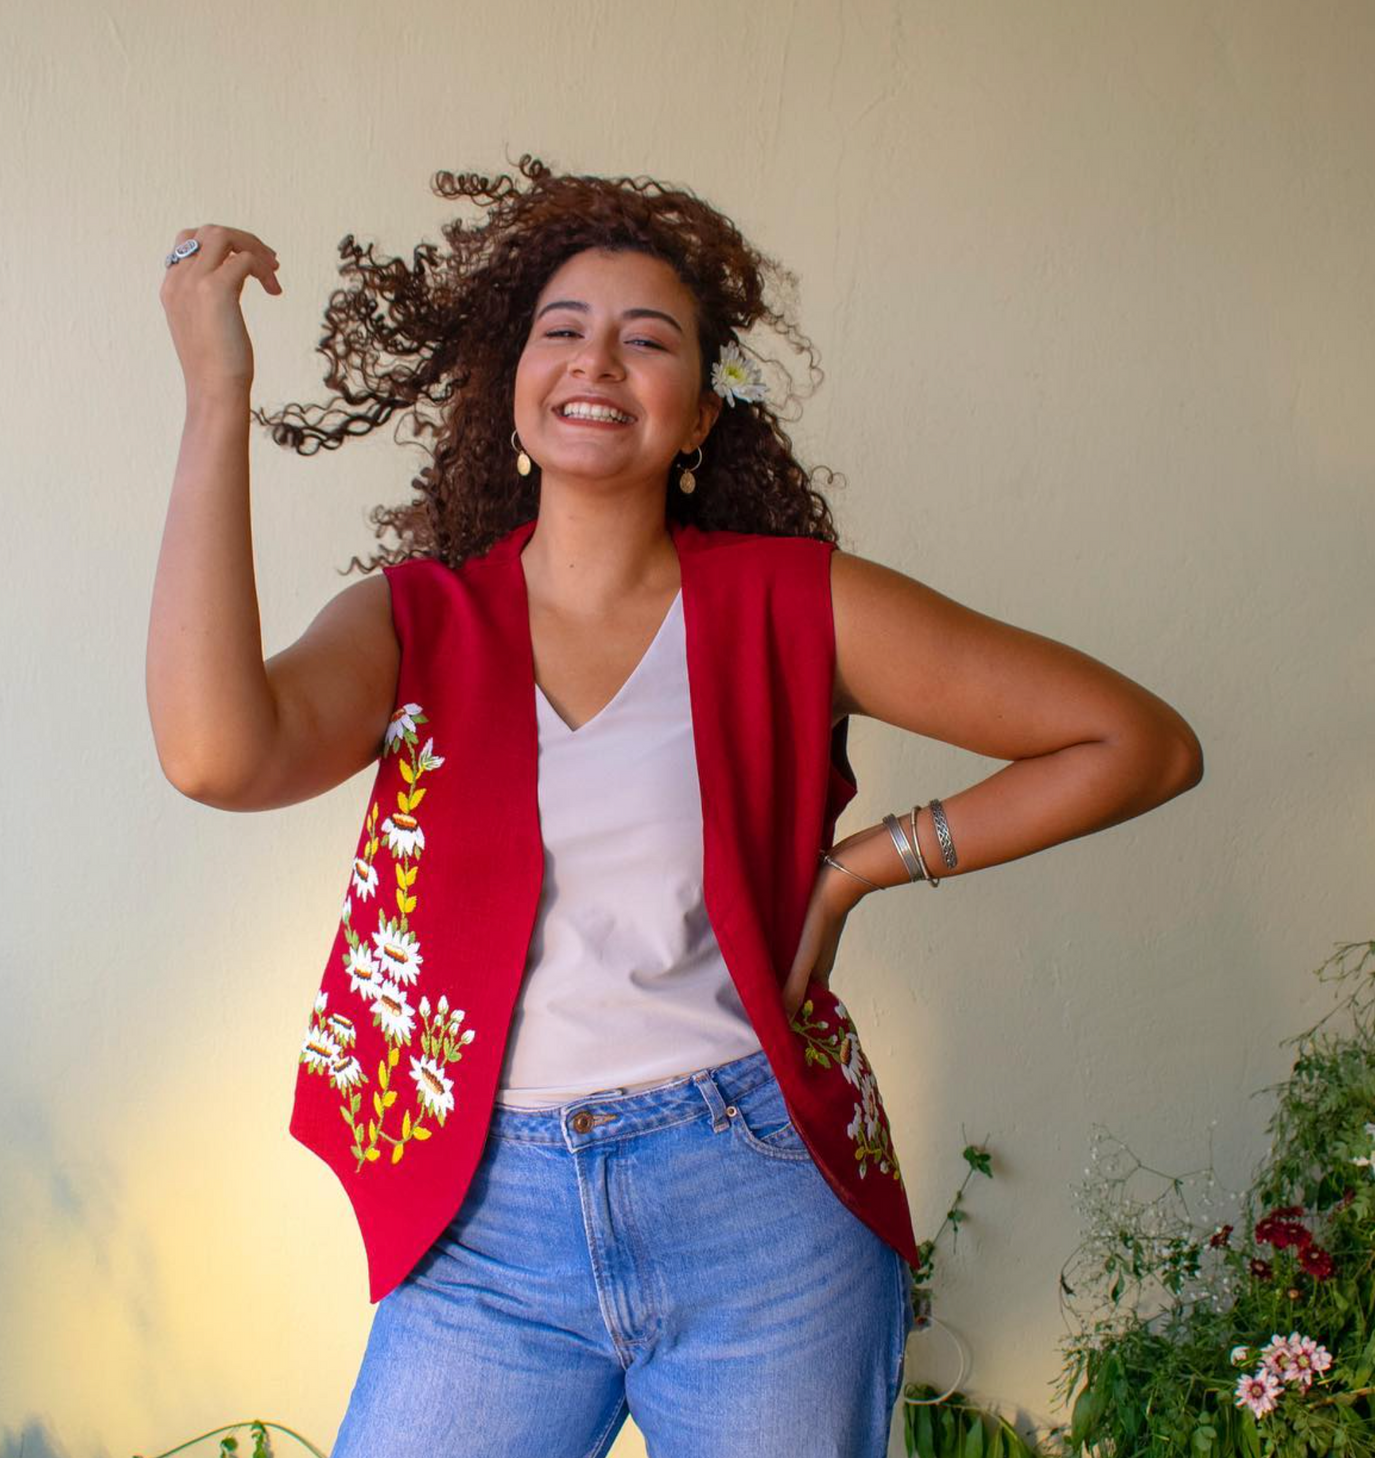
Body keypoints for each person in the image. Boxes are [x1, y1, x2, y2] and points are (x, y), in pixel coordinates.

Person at [150, 157, 1203, 1458]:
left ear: (700, 413)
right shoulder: (414, 622)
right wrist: (217, 398)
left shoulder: (792, 603)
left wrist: (867, 863)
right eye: (563, 331)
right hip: (488, 1231)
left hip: (760, 1210)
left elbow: (1139, 743)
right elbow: (213, 754)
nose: (599, 360)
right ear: (515, 387)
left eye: (649, 340)